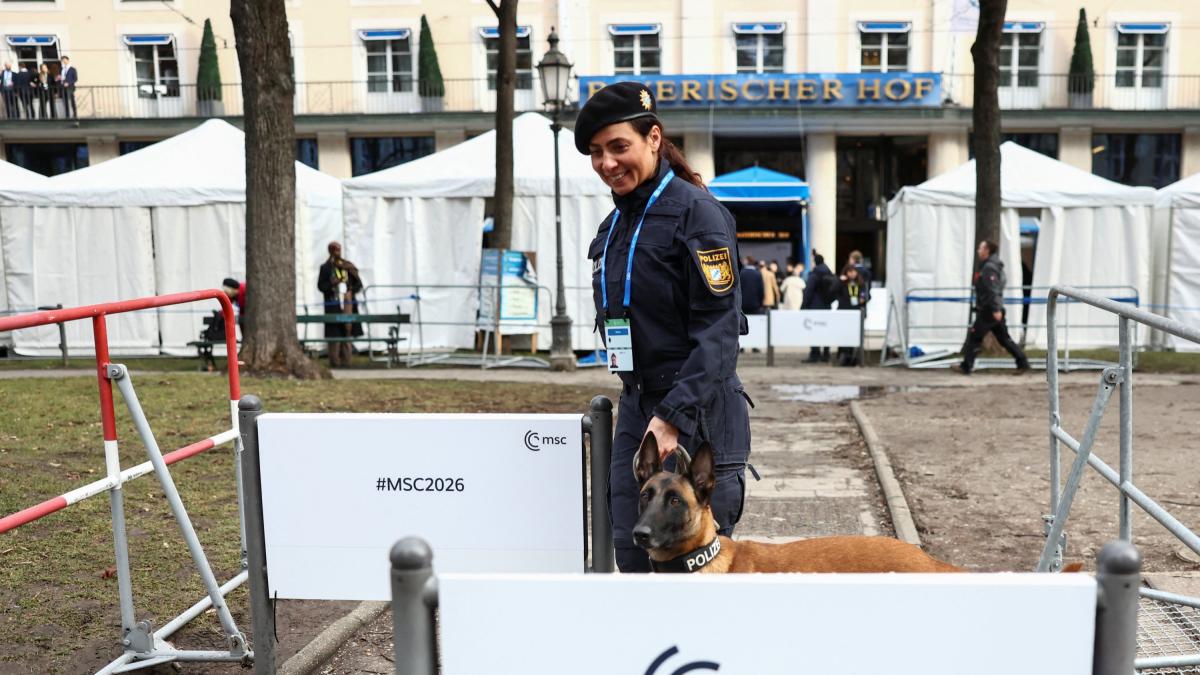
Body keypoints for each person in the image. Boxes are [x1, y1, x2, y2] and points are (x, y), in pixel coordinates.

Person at [576, 81, 751, 573]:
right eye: (595, 152)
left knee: (692, 564)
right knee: (630, 548)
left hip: (697, 407)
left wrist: (674, 414)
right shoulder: (613, 226)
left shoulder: (699, 215)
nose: (607, 163)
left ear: (654, 138)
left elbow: (718, 334)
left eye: (618, 147)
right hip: (637, 403)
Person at [953, 240, 1030, 375]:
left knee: (975, 337)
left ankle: (966, 366)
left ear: (987, 250)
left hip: (988, 310)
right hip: (990, 308)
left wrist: (995, 309)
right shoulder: (992, 266)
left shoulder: (989, 268)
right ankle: (1022, 362)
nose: (978, 251)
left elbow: (993, 289)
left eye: (980, 248)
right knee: (1004, 339)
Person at [317, 241, 363, 367]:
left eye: (338, 250)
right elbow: (321, 286)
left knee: (347, 331)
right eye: (334, 250)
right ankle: (335, 361)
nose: (337, 253)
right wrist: (332, 284)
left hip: (347, 303)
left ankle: (347, 361)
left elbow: (358, 284)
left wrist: (350, 290)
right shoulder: (326, 268)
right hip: (333, 303)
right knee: (334, 333)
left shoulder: (347, 266)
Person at [802, 251, 836, 363]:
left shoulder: (815, 274)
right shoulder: (829, 273)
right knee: (826, 329)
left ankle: (815, 354)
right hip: (827, 305)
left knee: (814, 330)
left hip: (815, 306)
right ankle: (826, 353)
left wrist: (804, 305)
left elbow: (809, 291)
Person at [834, 264, 867, 366]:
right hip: (844, 312)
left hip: (856, 313)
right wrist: (840, 281)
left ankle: (852, 357)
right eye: (849, 272)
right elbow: (833, 290)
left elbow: (866, 294)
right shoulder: (842, 282)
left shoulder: (860, 283)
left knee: (854, 335)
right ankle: (843, 355)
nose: (851, 274)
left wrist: (863, 298)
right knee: (843, 334)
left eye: (853, 271)